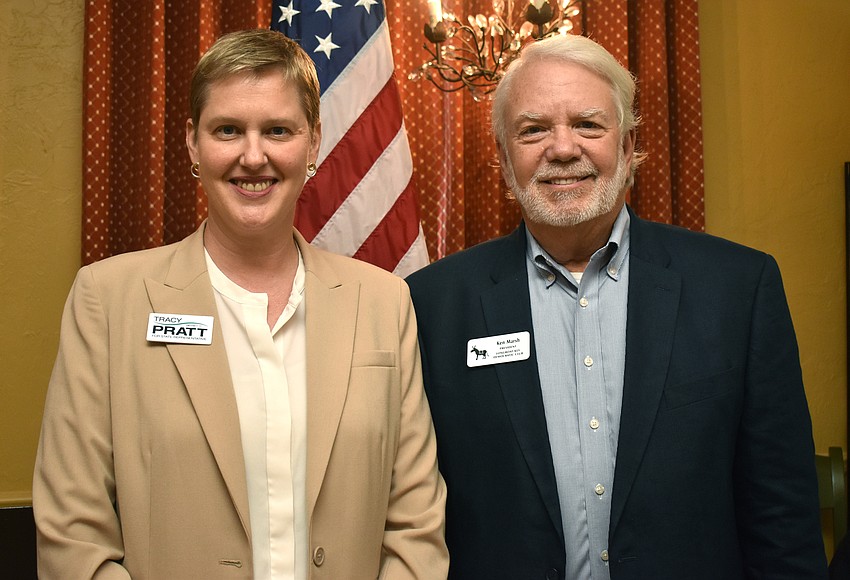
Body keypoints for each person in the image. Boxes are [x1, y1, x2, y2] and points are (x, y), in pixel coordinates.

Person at [406, 33, 827, 579]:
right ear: (504, 159)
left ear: (628, 146)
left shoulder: (738, 289)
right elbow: (412, 516)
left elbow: (783, 516)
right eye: (533, 130)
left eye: (588, 124)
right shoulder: (431, 305)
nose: (562, 149)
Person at [33, 29, 448, 579]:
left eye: (278, 130)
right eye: (228, 130)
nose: (254, 157)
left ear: (313, 143)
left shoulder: (384, 302)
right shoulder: (107, 301)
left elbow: (415, 527)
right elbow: (73, 533)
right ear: (192, 144)